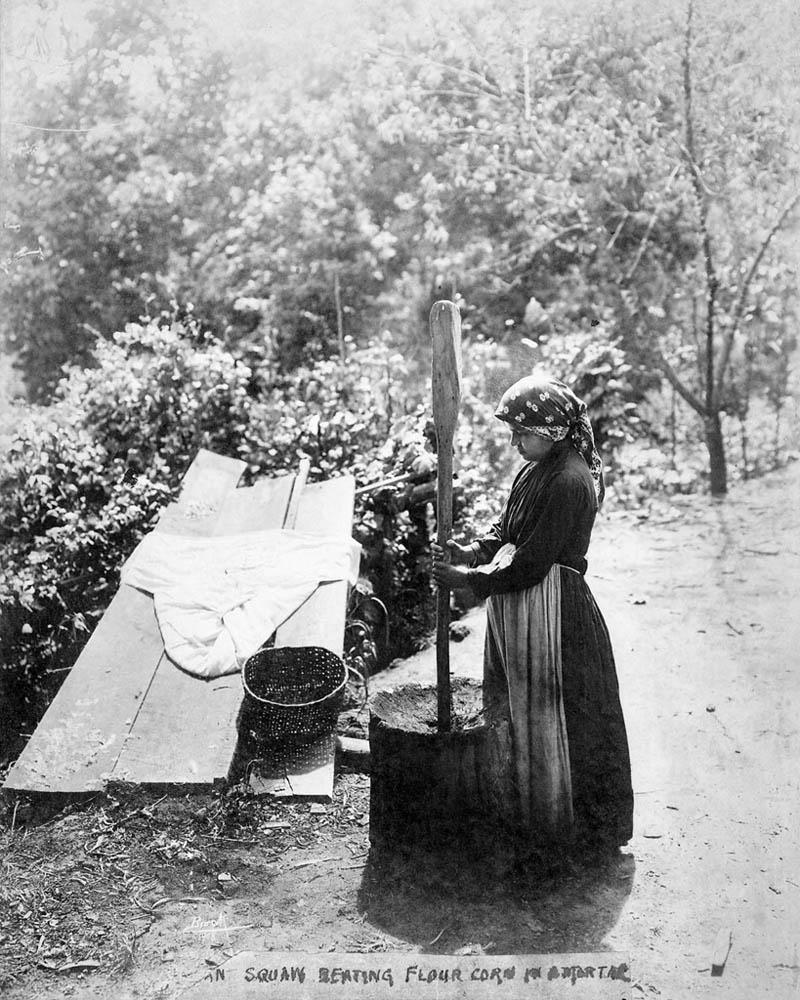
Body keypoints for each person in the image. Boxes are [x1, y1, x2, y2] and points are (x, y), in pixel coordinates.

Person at [432, 373, 633, 859]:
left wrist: (471, 580)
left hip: (557, 614)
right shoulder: (534, 471)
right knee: (522, 711)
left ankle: (581, 832)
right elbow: (507, 531)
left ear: (552, 431)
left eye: (521, 432)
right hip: (526, 608)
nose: (514, 441)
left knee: (565, 716)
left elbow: (531, 561)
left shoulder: (569, 480)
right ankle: (531, 813)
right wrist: (473, 549)